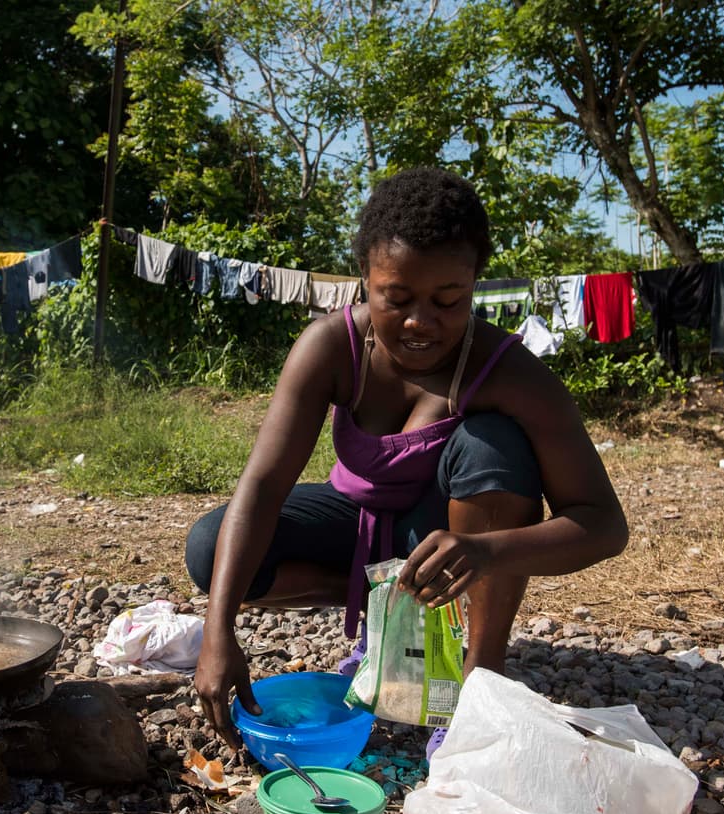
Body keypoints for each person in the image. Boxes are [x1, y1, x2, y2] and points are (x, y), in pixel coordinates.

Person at [184, 167, 629, 753]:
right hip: (362, 524)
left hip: (447, 542)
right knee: (211, 548)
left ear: (474, 284)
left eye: (449, 301)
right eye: (396, 299)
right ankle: (389, 628)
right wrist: (218, 632)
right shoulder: (331, 347)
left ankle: (477, 682)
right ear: (364, 279)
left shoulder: (511, 374)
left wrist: (484, 551)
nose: (421, 322)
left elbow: (604, 525)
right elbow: (264, 486)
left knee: (495, 441)